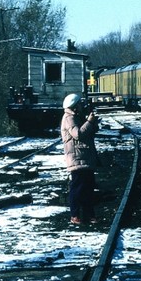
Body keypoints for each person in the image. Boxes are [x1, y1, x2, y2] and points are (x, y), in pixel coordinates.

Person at [61, 93, 100, 225]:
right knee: (77, 188)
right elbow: (78, 134)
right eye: (79, 104)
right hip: (77, 158)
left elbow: (89, 131)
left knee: (88, 188)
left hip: (84, 157)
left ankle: (89, 214)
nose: (81, 106)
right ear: (74, 105)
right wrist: (89, 122)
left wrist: (92, 123)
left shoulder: (77, 117)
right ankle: (75, 215)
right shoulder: (69, 118)